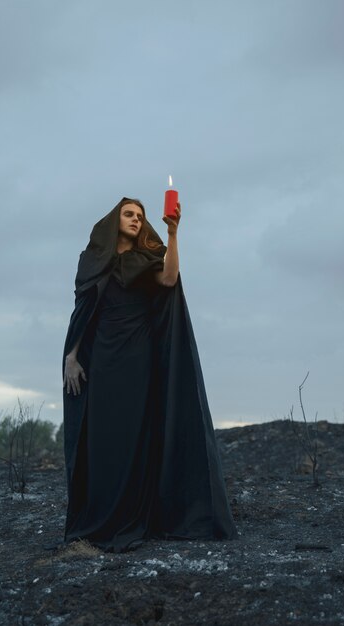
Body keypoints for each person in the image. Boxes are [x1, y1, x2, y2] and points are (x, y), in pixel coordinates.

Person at [61, 197, 238, 553]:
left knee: (134, 439)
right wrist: (71, 357)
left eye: (140, 217)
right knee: (101, 441)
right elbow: (82, 312)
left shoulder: (145, 258)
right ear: (115, 220)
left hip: (139, 358)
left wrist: (172, 234)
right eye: (129, 214)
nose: (135, 220)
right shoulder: (92, 261)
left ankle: (135, 516)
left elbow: (170, 278)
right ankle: (100, 516)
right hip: (103, 360)